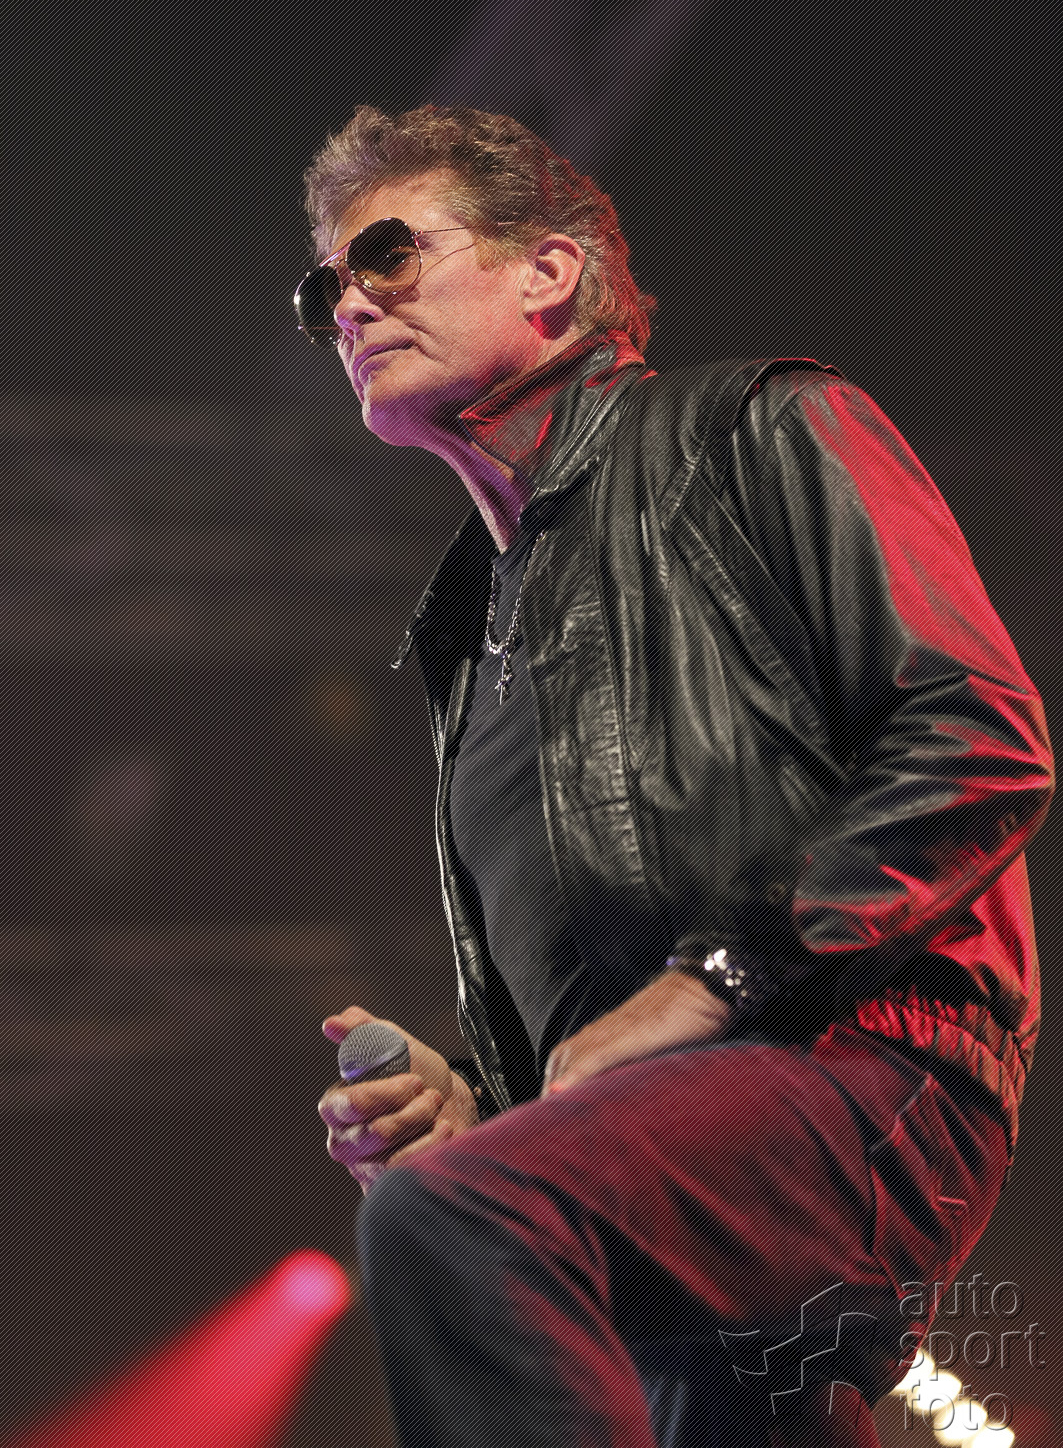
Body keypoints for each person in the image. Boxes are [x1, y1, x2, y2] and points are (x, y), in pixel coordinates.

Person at [305, 106, 1052, 1447]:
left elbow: (979, 732)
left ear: (551, 272)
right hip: (676, 1165)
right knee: (469, 1204)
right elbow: (596, 1028)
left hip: (864, 1071)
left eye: (388, 254)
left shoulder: (755, 429)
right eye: (324, 290)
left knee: (456, 1220)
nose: (349, 304)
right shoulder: (464, 638)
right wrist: (482, 1112)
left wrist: (709, 984)